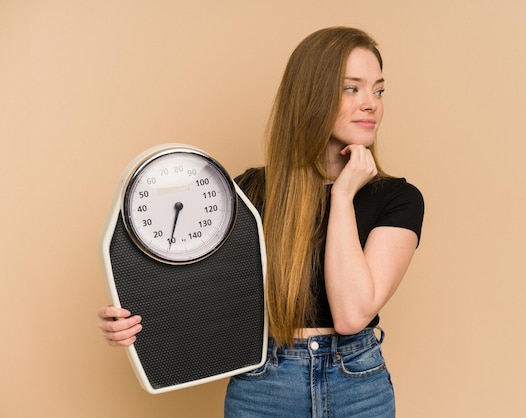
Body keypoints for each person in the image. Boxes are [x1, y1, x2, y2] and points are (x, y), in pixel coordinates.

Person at [98, 26, 424, 417]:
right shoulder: (247, 192)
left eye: (379, 90)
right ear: (310, 96)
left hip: (357, 385)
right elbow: (209, 299)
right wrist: (134, 321)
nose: (371, 103)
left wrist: (341, 195)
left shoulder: (398, 198)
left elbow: (351, 314)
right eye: (351, 88)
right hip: (264, 384)